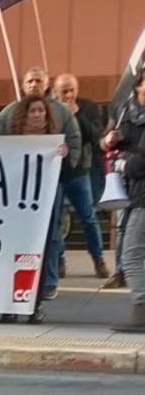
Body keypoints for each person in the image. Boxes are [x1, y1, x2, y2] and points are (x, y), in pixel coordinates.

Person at [0, 67, 82, 304]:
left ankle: (48, 282)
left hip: (50, 186)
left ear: (46, 84)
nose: (34, 84)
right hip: (15, 188)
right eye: (30, 80)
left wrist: (66, 160)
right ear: (23, 85)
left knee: (51, 233)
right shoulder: (8, 113)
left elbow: (74, 140)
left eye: (38, 81)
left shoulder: (62, 113)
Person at [0, 94, 69, 324]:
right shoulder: (11, 142)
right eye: (32, 111)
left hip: (43, 206)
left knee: (38, 253)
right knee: (11, 253)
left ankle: (32, 305)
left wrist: (63, 157)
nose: (37, 115)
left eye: (41, 111)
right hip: (14, 207)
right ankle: (8, 305)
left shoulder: (55, 143)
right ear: (23, 115)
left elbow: (66, 177)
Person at [52, 73, 109, 279]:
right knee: (57, 220)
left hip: (79, 171)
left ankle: (98, 259)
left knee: (88, 217)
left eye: (72, 90)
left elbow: (95, 137)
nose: (69, 94)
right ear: (55, 92)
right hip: (54, 173)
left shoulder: (89, 107)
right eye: (64, 91)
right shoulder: (49, 108)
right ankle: (59, 261)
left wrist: (76, 115)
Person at [103, 71, 145, 332]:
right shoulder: (125, 113)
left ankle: (141, 309)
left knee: (130, 254)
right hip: (132, 191)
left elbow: (141, 162)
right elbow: (105, 140)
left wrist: (123, 163)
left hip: (142, 194)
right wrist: (110, 141)